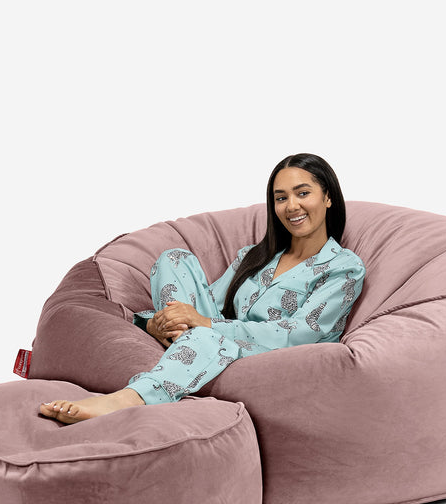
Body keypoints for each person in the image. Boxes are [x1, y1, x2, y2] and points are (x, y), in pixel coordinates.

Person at [39, 153, 366, 424]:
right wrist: (157, 323)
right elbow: (210, 304)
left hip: (272, 354)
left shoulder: (343, 267)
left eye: (302, 193)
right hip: (217, 336)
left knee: (205, 335)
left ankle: (129, 398)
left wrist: (205, 324)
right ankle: (178, 338)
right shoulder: (255, 256)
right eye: (281, 198)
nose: (291, 206)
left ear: (327, 197)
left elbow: (301, 333)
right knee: (174, 258)